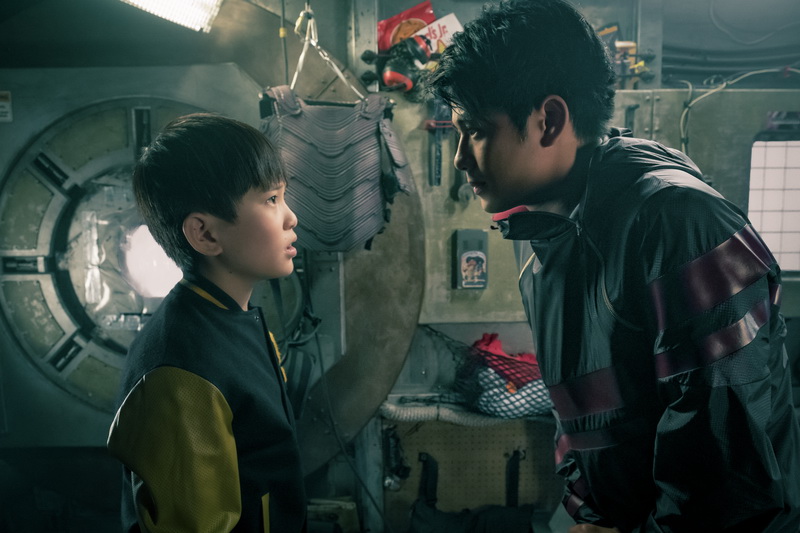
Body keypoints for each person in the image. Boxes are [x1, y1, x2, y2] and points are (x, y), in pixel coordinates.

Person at [427, 1, 800, 531]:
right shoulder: (539, 232)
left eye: (476, 130)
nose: (461, 157)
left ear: (549, 120)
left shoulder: (680, 224)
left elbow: (726, 477)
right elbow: (585, 419)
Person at [107, 113, 307, 532]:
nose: (291, 218)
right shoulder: (180, 374)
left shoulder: (231, 318)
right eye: (271, 200)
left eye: (283, 197)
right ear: (205, 235)